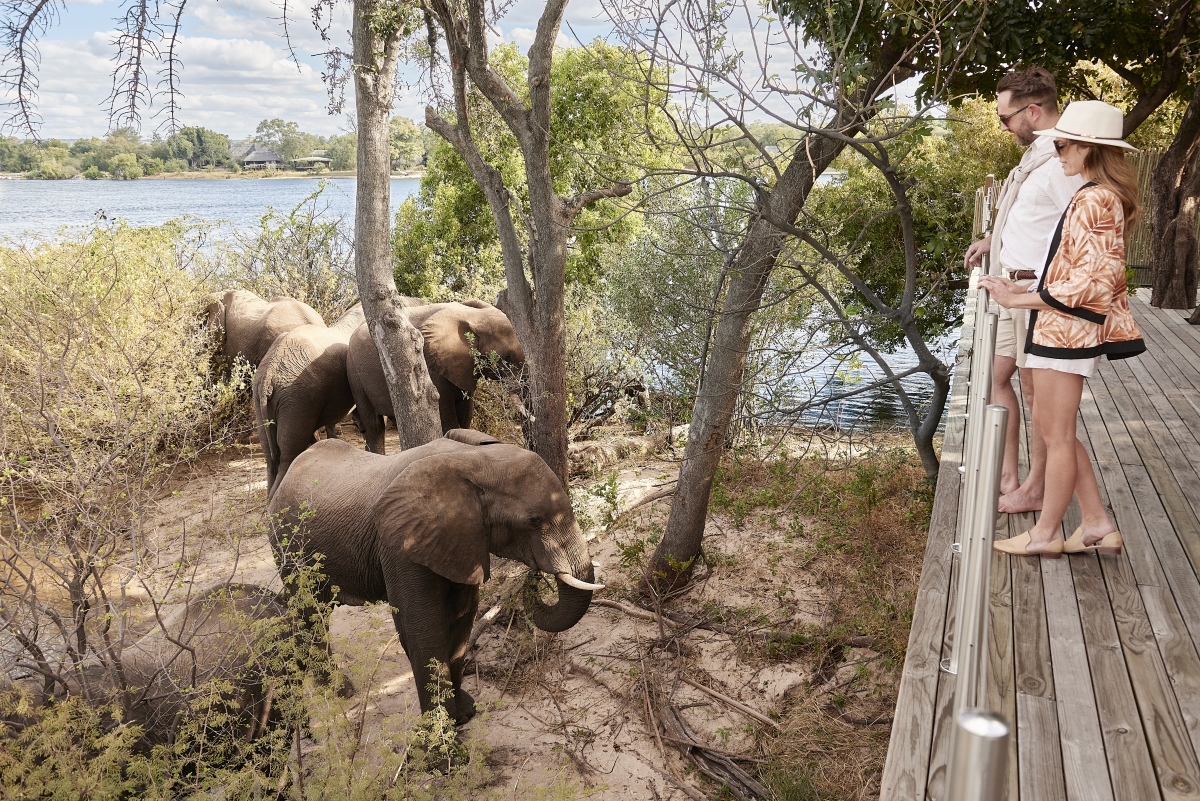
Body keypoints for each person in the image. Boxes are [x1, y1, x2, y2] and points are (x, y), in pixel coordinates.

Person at [982, 100, 1146, 557]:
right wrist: (1022, 288)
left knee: (1056, 436)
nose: (1057, 152)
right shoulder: (1093, 194)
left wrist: (1018, 297)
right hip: (1060, 331)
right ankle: (1095, 523)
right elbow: (1075, 274)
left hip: (1066, 335)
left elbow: (1087, 287)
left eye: (1063, 144)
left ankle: (1046, 534)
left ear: (1089, 148)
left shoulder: (1095, 200)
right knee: (1060, 433)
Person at [964, 67, 1083, 514]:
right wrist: (993, 240)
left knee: (1036, 394)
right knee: (997, 376)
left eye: (1005, 117)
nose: (1004, 126)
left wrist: (1047, 285)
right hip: (1010, 288)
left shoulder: (1061, 161)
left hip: (1033, 293)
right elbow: (1035, 218)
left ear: (1032, 110)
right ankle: (1009, 473)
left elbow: (1079, 228)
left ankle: (1035, 486)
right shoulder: (1038, 157)